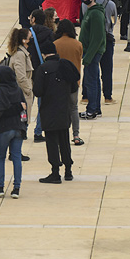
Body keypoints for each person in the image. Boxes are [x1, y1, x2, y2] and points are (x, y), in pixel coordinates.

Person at [33, 42, 80, 184]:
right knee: (64, 140)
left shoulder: (43, 69)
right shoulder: (64, 65)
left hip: (49, 110)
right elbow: (73, 87)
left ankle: (55, 172)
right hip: (64, 109)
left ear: (44, 54)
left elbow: (38, 91)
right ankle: (68, 171)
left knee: (52, 141)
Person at [0, 65, 27, 198]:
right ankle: (16, 188)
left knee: (0, 158)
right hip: (19, 127)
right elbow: (23, 108)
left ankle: (0, 187)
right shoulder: (17, 89)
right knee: (16, 157)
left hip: (4, 129)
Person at [82, 0, 118, 106]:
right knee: (107, 69)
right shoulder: (111, 4)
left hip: (89, 39)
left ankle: (85, 96)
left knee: (89, 67)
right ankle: (107, 96)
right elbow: (114, 21)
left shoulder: (85, 4)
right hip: (107, 38)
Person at [53, 19, 84, 146]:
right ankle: (76, 135)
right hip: (73, 82)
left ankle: (61, 135)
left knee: (60, 109)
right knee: (73, 108)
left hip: (58, 82)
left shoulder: (55, 44)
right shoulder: (78, 44)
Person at [78, 0, 106, 120]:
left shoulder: (95, 14)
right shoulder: (89, 11)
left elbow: (98, 37)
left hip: (92, 53)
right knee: (94, 80)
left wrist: (88, 56)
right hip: (89, 52)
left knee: (91, 81)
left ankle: (91, 110)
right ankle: (96, 109)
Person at [28, 9, 55, 142]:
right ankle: (38, 132)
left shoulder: (26, 34)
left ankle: (22, 129)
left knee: (27, 102)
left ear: (33, 19)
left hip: (29, 72)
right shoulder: (49, 33)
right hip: (43, 70)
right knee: (41, 103)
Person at [7, 28, 34, 121]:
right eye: (30, 37)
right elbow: (21, 76)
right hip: (23, 93)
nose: (32, 39)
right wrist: (28, 90)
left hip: (23, 92)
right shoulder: (20, 55)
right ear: (24, 40)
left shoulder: (23, 53)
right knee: (23, 122)